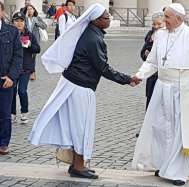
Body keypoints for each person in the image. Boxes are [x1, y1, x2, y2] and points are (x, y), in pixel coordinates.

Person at [29, 3, 141, 179]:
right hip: (80, 87)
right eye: (106, 17)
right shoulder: (93, 39)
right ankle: (79, 167)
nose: (109, 19)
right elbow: (103, 67)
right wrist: (127, 79)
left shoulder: (91, 33)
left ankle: (76, 164)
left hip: (76, 84)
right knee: (81, 127)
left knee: (78, 126)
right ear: (96, 20)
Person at [132, 3, 189, 186]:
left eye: (167, 17)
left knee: (180, 131)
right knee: (160, 127)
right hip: (162, 86)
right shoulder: (159, 35)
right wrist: (139, 76)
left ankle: (178, 172)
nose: (164, 20)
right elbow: (152, 61)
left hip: (184, 88)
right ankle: (162, 164)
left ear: (179, 18)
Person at [0, 2, 23, 155]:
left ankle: (3, 143)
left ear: (2, 12)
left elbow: (18, 56)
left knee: (4, 114)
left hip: (5, 79)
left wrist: (11, 77)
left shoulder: (12, 31)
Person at [11, 12, 40, 124]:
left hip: (25, 68)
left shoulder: (29, 34)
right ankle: (12, 113)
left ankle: (24, 112)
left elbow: (37, 49)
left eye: (21, 21)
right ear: (13, 22)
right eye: (17, 21)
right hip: (12, 68)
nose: (19, 23)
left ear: (24, 22)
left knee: (22, 90)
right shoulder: (9, 34)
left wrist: (29, 45)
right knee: (12, 91)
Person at [140, 12, 165, 109]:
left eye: (159, 24)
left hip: (163, 75)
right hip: (152, 74)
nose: (156, 26)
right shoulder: (150, 35)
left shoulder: (170, 36)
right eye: (154, 24)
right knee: (150, 99)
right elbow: (143, 52)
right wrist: (146, 53)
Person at [24, 4, 47, 81]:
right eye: (28, 9)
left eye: (31, 9)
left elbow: (44, 26)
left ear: (34, 10)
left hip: (35, 40)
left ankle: (33, 72)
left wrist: (37, 23)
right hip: (25, 38)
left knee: (33, 57)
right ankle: (27, 71)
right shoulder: (24, 18)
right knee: (26, 55)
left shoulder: (37, 18)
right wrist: (25, 18)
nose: (29, 10)